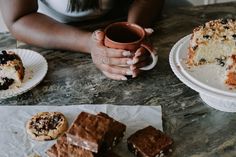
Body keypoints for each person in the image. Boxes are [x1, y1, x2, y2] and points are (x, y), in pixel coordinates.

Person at [0, 0, 164, 80]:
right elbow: (19, 18)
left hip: (125, 14)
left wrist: (134, 32)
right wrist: (90, 44)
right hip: (49, 28)